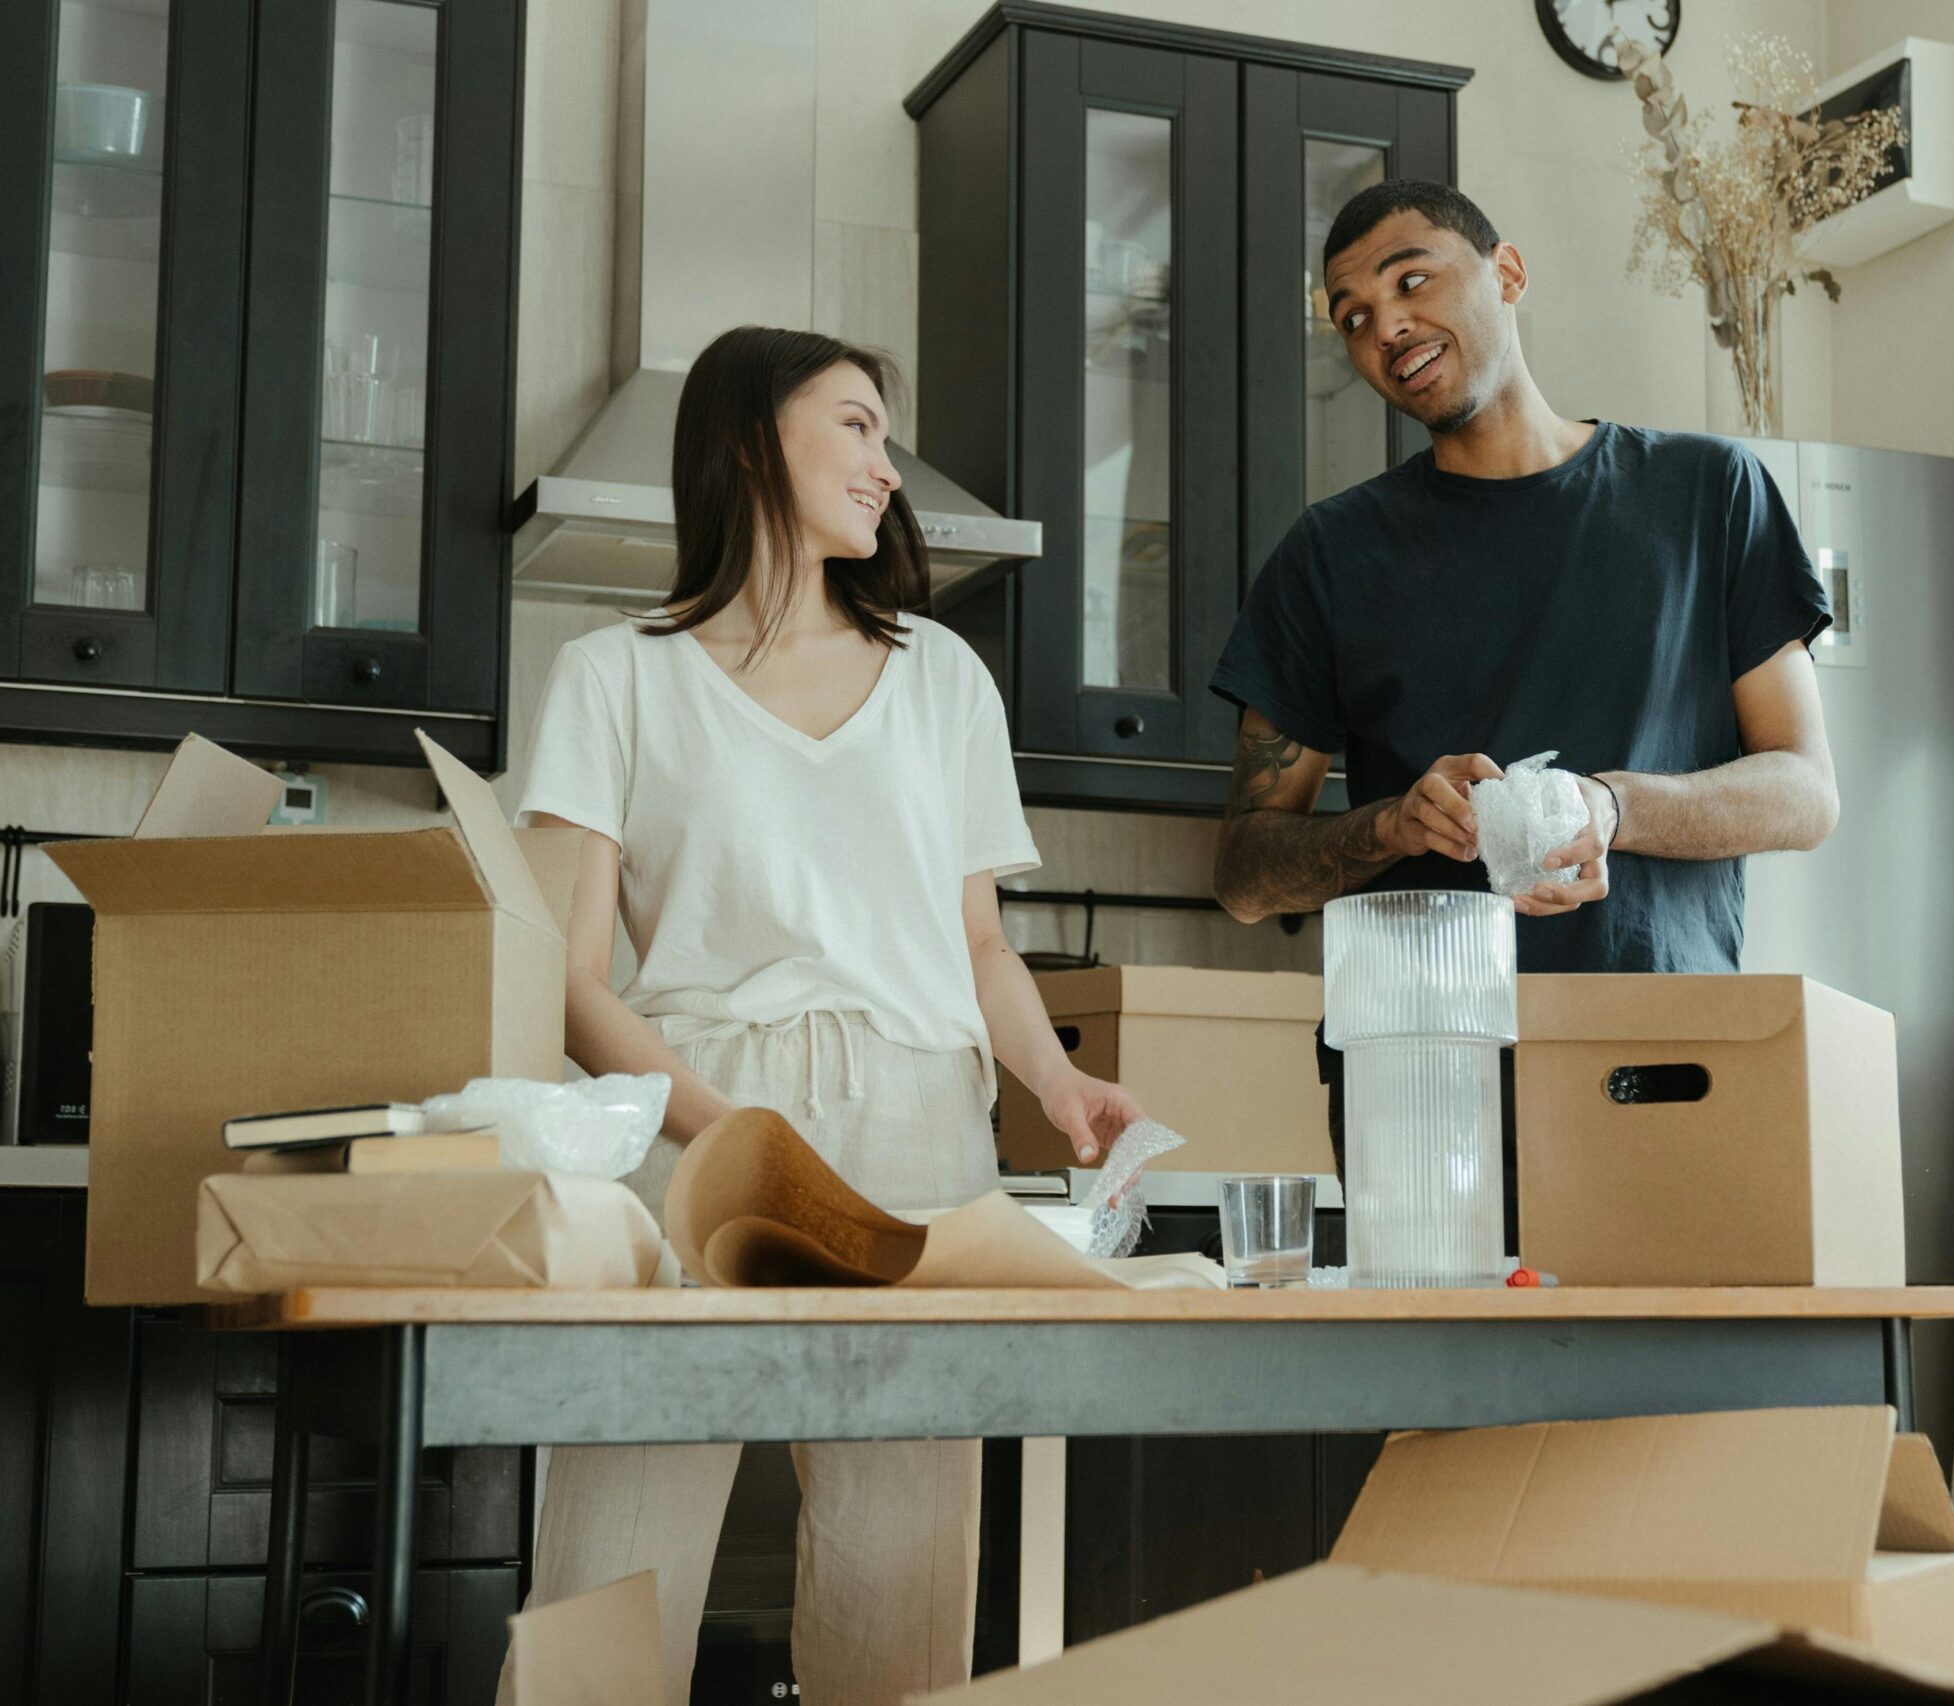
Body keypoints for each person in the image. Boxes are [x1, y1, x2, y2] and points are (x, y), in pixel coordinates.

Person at [496, 327, 1142, 1705]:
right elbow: (564, 974)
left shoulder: (944, 679)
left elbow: (980, 943)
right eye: (853, 424)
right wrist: (728, 1130)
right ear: (748, 442)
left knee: (899, 1592)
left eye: (883, 433)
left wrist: (1055, 1078)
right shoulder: (612, 676)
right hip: (693, 1117)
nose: (884, 464)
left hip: (918, 1132)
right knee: (612, 1572)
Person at [1210, 180, 1840, 970]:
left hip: (1664, 1051)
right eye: (1353, 317)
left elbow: (1806, 794)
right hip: (1428, 1055)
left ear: (1507, 272)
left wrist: (1613, 807)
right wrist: (1390, 826)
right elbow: (1242, 876)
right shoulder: (1329, 553)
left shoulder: (1707, 493)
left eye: (1411, 281)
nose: (1389, 326)